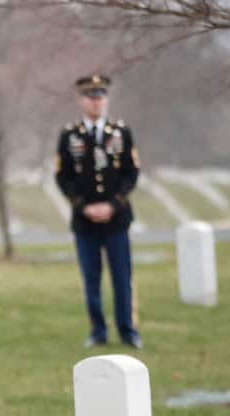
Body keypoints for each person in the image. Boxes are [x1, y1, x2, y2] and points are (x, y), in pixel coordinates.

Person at [55, 73, 141, 349]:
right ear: (81, 100)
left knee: (122, 278)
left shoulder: (120, 132)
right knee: (92, 281)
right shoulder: (70, 136)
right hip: (85, 222)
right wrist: (83, 206)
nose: (96, 102)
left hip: (117, 221)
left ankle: (128, 331)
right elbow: (62, 176)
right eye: (91, 97)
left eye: (101, 96)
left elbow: (131, 172)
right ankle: (98, 331)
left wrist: (113, 204)